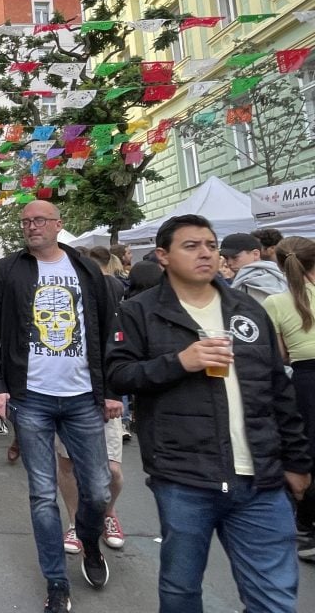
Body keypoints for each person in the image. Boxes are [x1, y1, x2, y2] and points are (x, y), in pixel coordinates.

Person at [107, 214, 311, 613]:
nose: (206, 254)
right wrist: (178, 362)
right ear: (163, 256)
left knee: (274, 598)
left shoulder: (247, 309)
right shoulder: (140, 311)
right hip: (185, 476)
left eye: (211, 246)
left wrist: (296, 460)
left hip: (261, 480)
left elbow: (278, 389)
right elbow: (119, 374)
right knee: (182, 591)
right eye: (192, 246)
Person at [0, 200, 118, 613]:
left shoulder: (87, 270)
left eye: (39, 220)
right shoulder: (7, 271)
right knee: (42, 494)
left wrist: (110, 389)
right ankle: (56, 582)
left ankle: (89, 541)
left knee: (97, 488)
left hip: (82, 397)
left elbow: (108, 331)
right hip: (31, 398)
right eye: (25, 221)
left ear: (59, 224)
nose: (31, 226)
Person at [58, 247, 128, 555]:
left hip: (101, 394)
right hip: (65, 395)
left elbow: (119, 348)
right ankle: (74, 522)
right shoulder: (57, 298)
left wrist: (113, 392)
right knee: (68, 464)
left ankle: (108, 513)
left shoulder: (109, 292)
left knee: (111, 469)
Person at [262, 236, 315, 556]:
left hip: (306, 380)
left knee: (307, 449)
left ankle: (307, 527)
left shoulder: (275, 303)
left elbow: (278, 355)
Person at [220, 232, 288, 303]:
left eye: (235, 257)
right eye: (226, 258)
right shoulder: (278, 273)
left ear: (255, 254)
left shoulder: (252, 280)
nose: (229, 263)